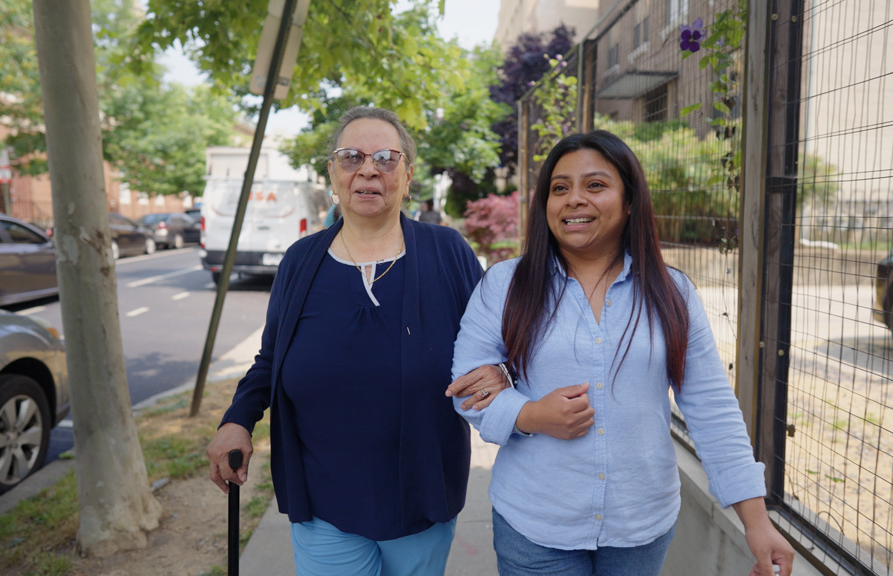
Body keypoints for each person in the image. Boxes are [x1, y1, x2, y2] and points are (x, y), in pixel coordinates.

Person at [447, 130, 795, 576]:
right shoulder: (505, 285)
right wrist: (530, 415)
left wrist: (756, 521)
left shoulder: (672, 294)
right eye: (560, 188)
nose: (574, 199)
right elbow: (466, 386)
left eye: (595, 185)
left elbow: (711, 407)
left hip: (641, 526)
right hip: (536, 523)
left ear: (630, 201)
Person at [206, 106, 509, 576]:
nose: (368, 168)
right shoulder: (300, 261)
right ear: (333, 173)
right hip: (323, 494)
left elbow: (496, 346)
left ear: (407, 176)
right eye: (351, 157)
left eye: (387, 158)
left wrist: (502, 373)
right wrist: (237, 419)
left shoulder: (448, 253)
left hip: (421, 495)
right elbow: (271, 359)